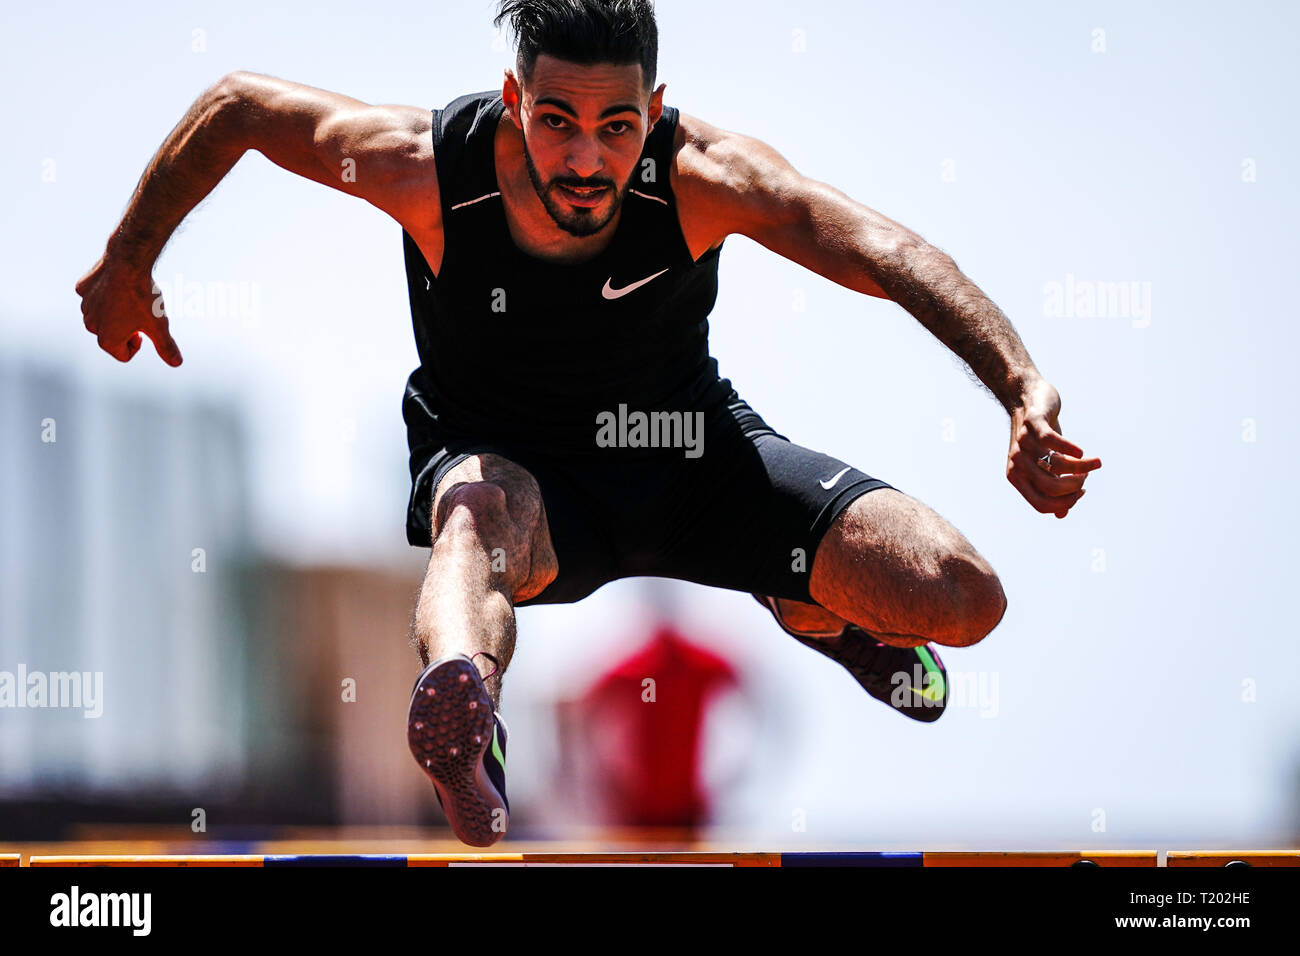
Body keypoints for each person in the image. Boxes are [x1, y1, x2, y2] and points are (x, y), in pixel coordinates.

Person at [76, 0, 1102, 847]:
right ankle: (466, 717)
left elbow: (885, 250)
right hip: (520, 481)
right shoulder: (427, 167)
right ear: (515, 98)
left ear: (654, 112)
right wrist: (130, 260)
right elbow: (240, 106)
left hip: (691, 459)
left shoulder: (705, 176)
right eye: (556, 120)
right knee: (474, 512)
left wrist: (1018, 383)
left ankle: (814, 608)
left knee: (963, 597)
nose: (583, 159)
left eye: (616, 128)